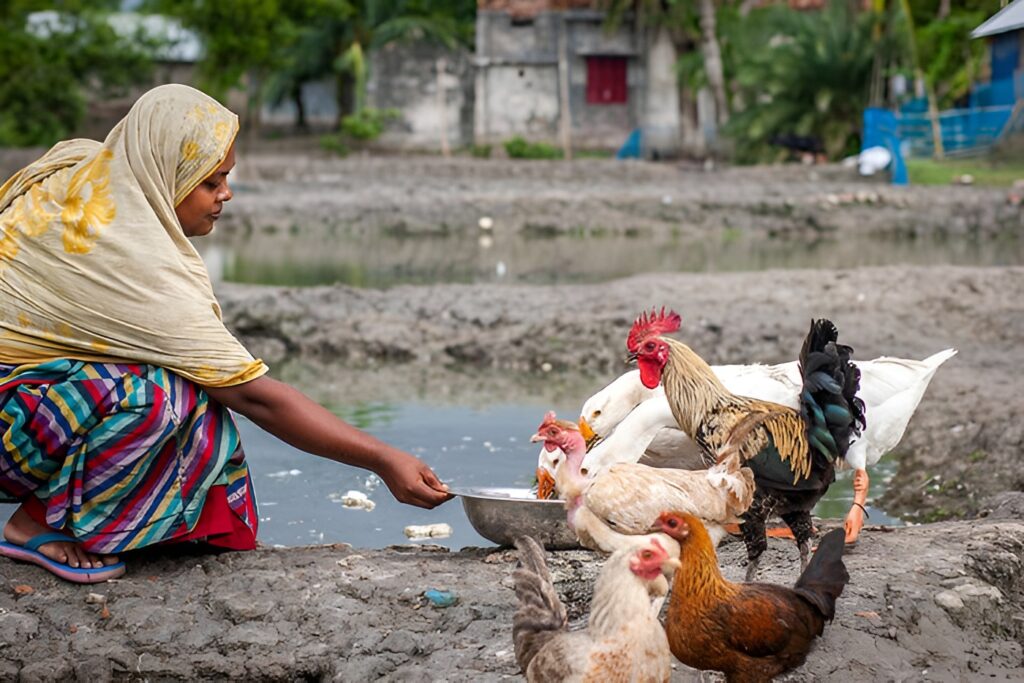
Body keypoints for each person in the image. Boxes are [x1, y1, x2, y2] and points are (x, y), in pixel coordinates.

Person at [0, 84, 451, 584]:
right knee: (159, 397)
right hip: (11, 417)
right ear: (166, 176)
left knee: (193, 399)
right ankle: (32, 525)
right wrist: (383, 459)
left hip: (28, 400)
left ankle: (115, 520)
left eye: (226, 179)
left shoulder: (83, 171)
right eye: (211, 182)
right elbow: (257, 398)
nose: (226, 194)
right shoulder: (133, 268)